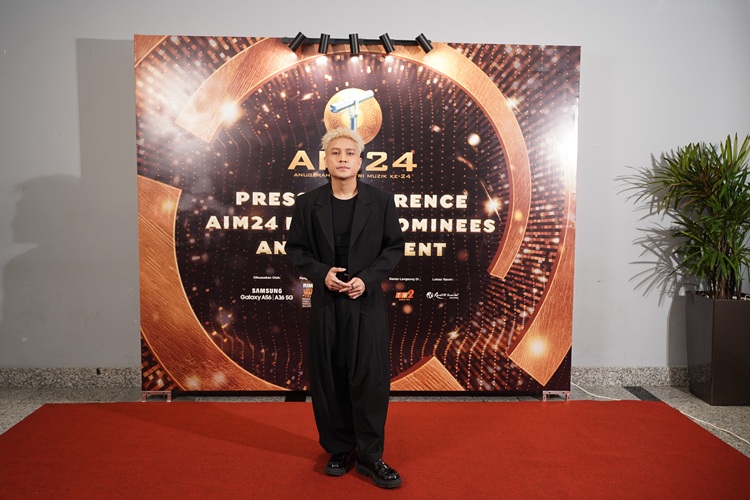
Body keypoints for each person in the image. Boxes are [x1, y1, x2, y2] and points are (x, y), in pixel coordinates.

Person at [286, 127, 405, 489]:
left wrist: (366, 279)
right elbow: (296, 249)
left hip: (365, 303)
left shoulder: (381, 201)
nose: (342, 159)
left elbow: (393, 248)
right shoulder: (307, 204)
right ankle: (339, 448)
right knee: (329, 378)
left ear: (360, 161)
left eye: (349, 153)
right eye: (335, 152)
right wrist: (321, 274)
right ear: (325, 160)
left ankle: (370, 455)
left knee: (369, 379)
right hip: (327, 303)